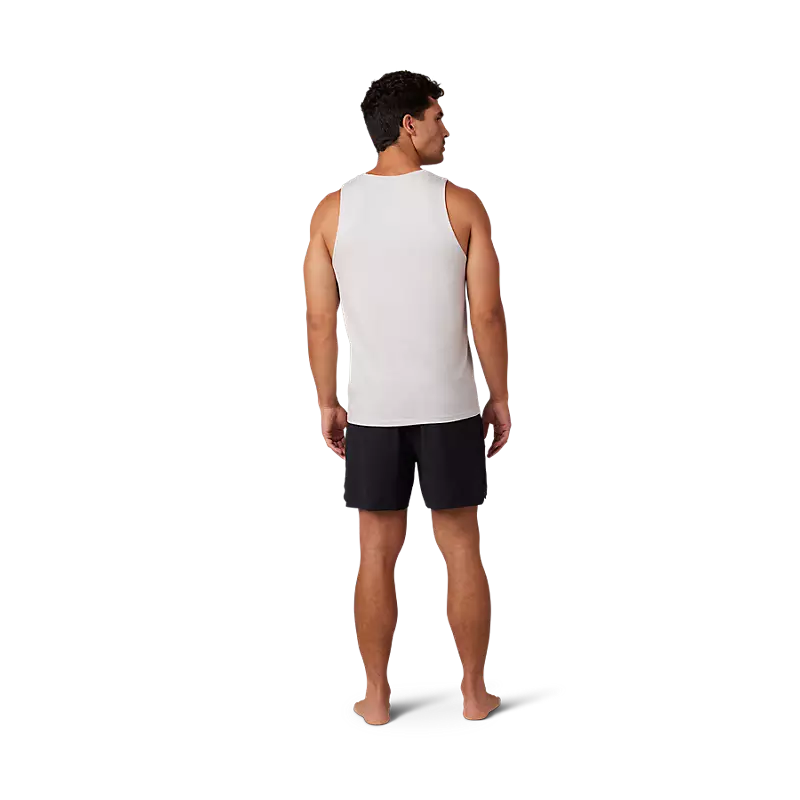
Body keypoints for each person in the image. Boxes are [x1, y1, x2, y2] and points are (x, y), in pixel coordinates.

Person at [302, 70, 510, 725]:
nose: (447, 129)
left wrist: (327, 401)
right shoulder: (462, 205)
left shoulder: (332, 211)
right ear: (408, 125)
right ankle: (473, 694)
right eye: (438, 117)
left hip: (373, 412)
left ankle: (377, 697)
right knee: (461, 548)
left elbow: (319, 319)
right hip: (450, 409)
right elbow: (487, 314)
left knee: (375, 552)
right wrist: (500, 394)